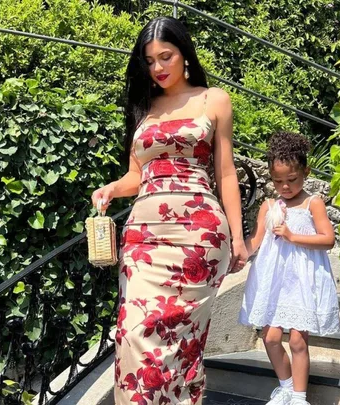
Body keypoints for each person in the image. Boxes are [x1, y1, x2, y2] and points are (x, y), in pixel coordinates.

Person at [91, 16, 249, 405]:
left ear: (185, 55)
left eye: (166, 56)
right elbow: (135, 174)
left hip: (198, 236)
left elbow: (225, 173)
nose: (158, 68)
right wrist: (112, 187)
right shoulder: (143, 106)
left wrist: (238, 236)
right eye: (149, 60)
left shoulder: (214, 99)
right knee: (132, 333)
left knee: (183, 344)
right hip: (144, 236)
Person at [238, 132, 340, 405]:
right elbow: (256, 241)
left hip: (302, 280)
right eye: (277, 181)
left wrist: (293, 236)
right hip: (276, 281)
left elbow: (328, 239)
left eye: (292, 180)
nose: (284, 186)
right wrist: (235, 254)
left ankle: (298, 396)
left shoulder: (313, 203)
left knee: (297, 340)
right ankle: (285, 386)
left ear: (306, 172)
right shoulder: (269, 205)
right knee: (270, 337)